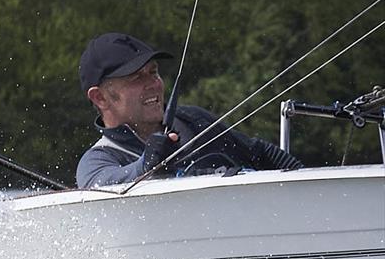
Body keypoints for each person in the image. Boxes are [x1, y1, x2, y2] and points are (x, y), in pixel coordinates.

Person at [76, 32, 303, 188]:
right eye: (136, 77)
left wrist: (305, 180)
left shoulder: (194, 120)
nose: (154, 83)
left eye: (153, 72)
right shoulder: (99, 160)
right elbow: (100, 185)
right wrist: (146, 166)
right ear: (100, 98)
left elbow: (261, 153)